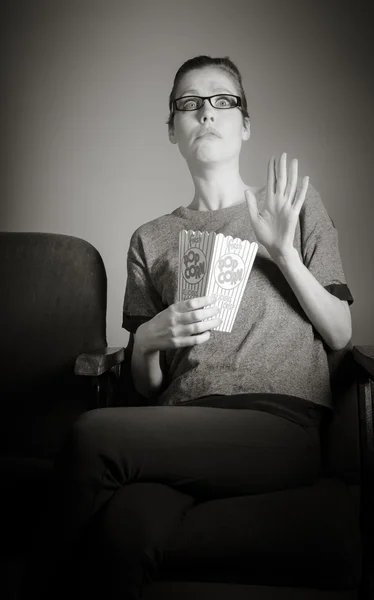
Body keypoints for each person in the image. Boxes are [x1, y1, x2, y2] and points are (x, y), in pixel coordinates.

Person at [31, 55, 354, 600]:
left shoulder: (291, 208)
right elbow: (149, 385)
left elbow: (341, 333)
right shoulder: (150, 238)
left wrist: (282, 252)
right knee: (124, 528)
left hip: (277, 425)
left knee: (91, 433)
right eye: (190, 103)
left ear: (244, 124)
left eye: (222, 100)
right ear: (174, 130)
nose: (206, 111)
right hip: (180, 423)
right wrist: (148, 343)